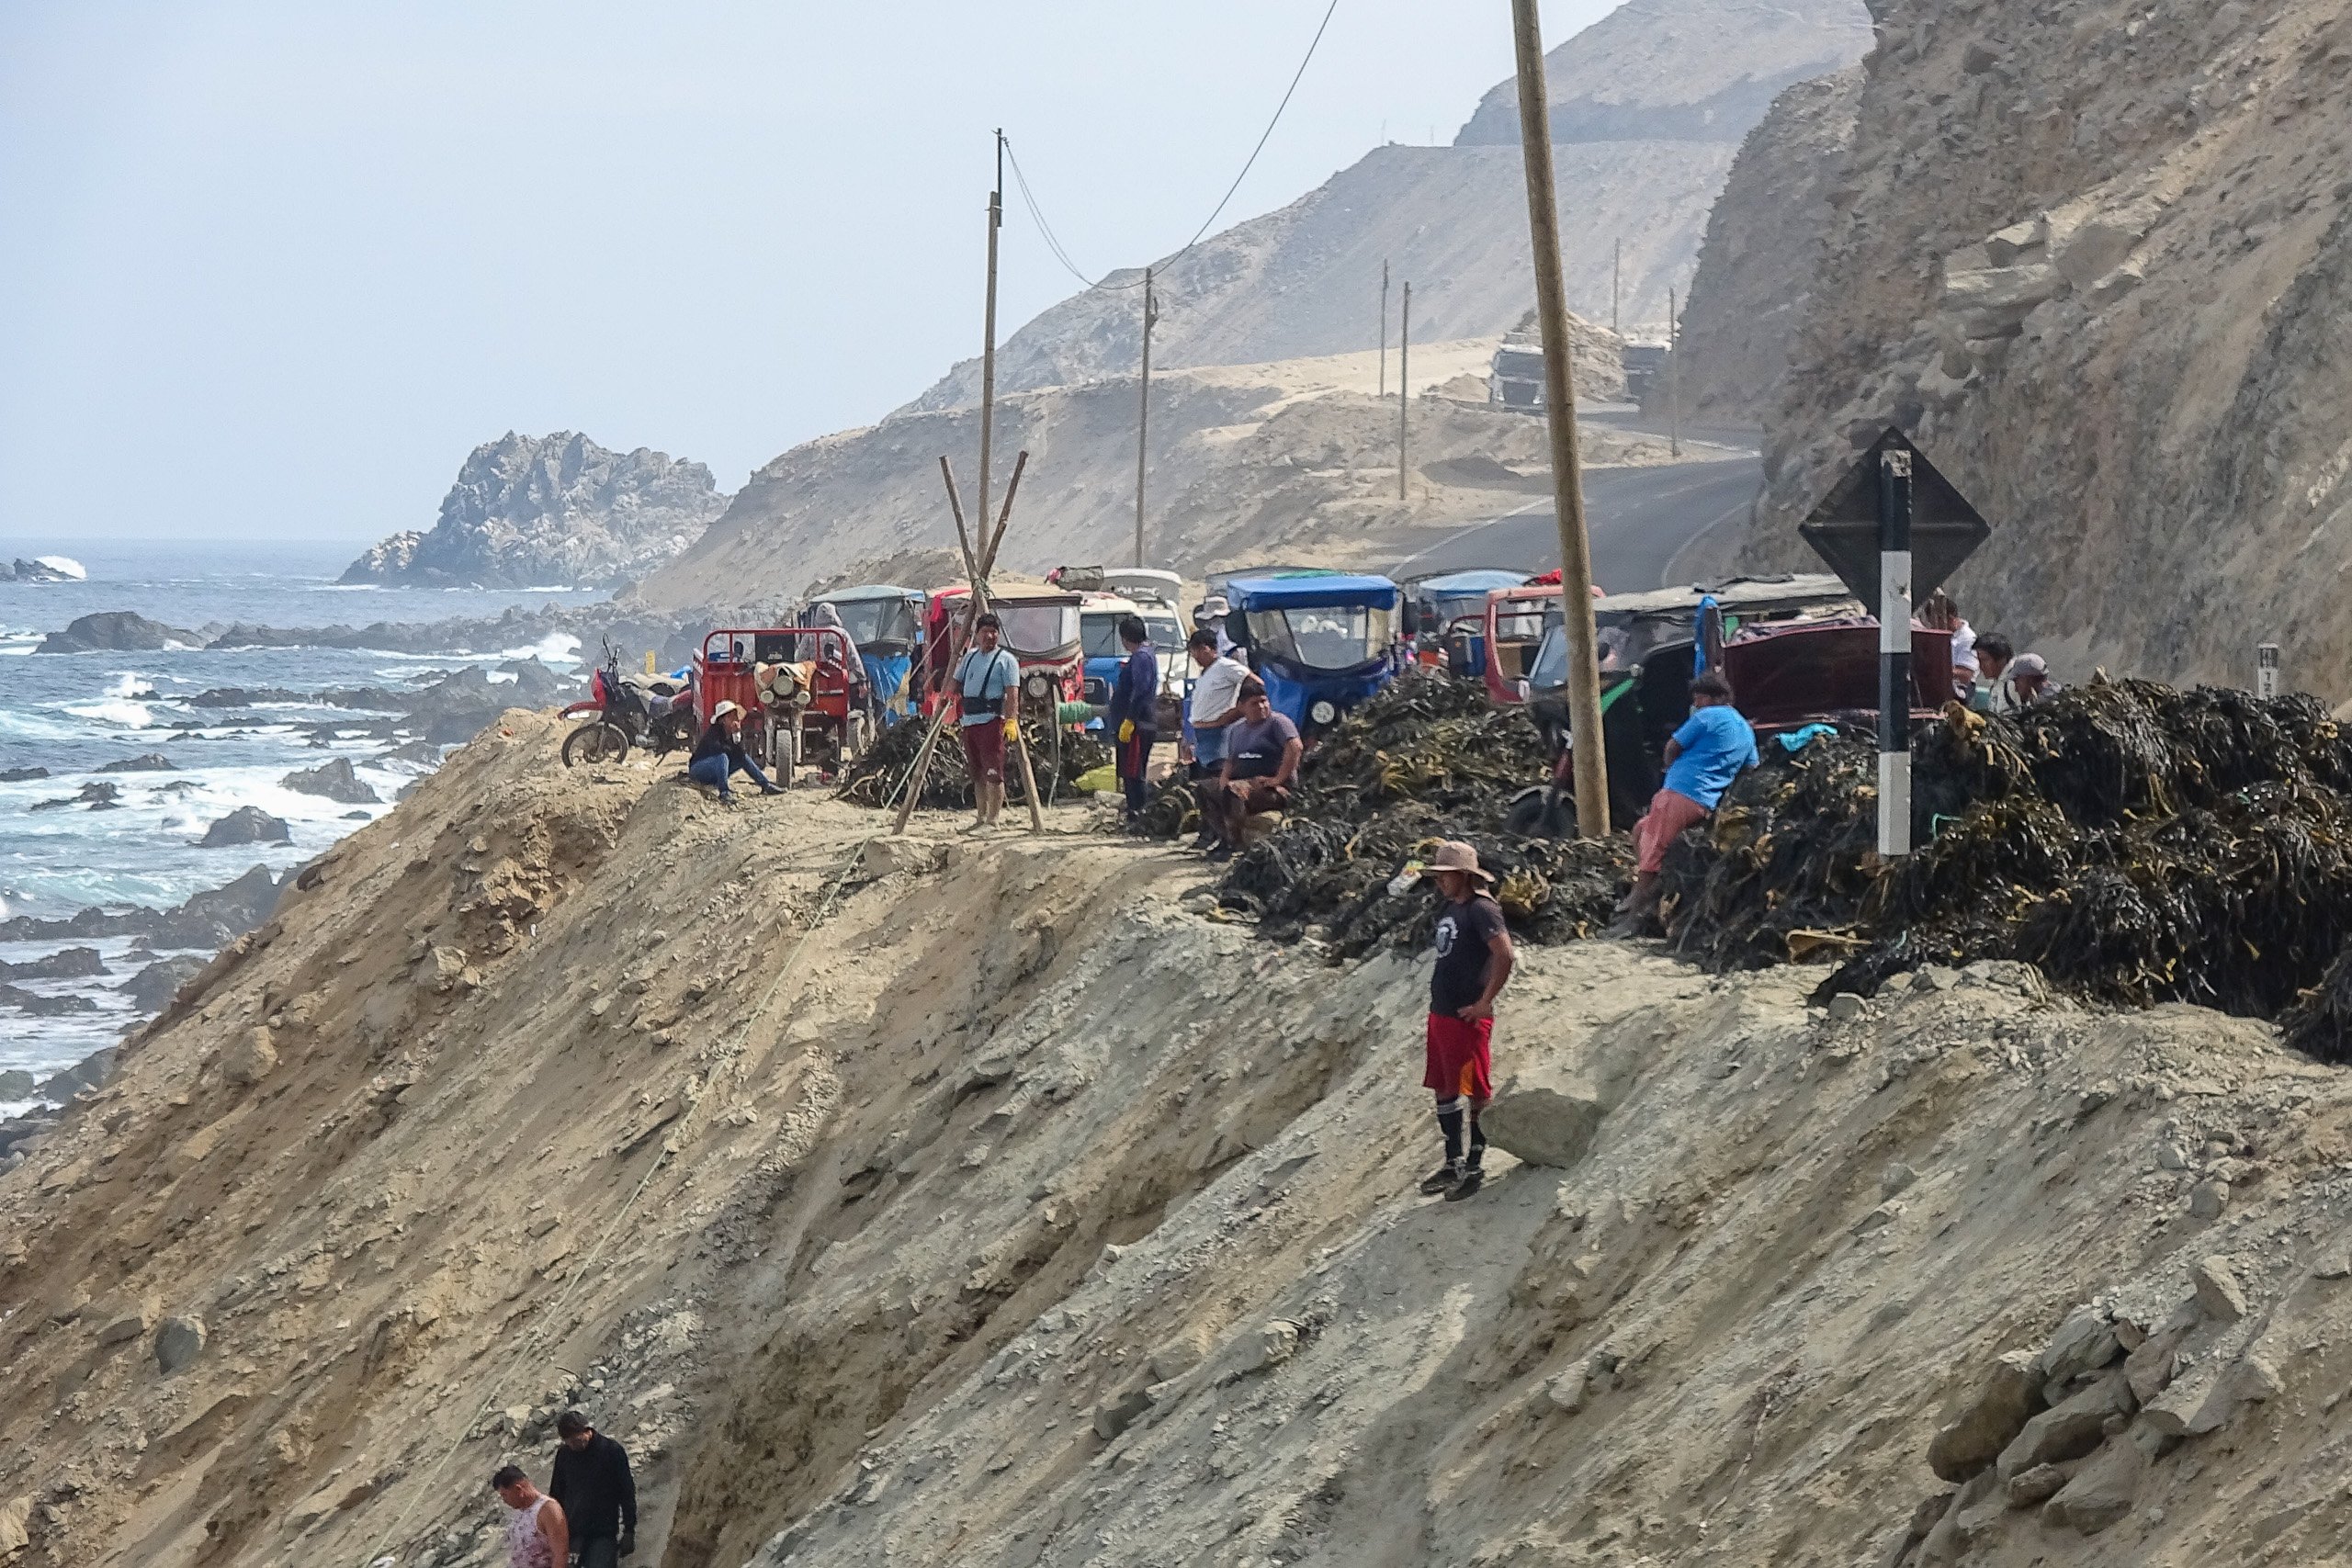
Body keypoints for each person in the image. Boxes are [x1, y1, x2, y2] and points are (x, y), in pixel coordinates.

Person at [1616, 671, 1757, 931]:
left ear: (1714, 698)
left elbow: (1672, 746)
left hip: (1681, 793)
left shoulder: (1706, 717)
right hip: (1704, 803)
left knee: (1656, 844)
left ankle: (1636, 907)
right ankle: (1655, 888)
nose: (1695, 704)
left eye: (1699, 698)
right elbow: (1751, 768)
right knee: (1641, 829)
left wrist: (1670, 770)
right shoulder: (1745, 729)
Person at [1419, 840, 1514, 1201]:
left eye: (1445, 876)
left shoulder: (1482, 909)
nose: (1440, 883)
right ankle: (1453, 1160)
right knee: (1445, 1085)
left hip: (1465, 1017)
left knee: (1474, 1088)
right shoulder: (1454, 907)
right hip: (1443, 1013)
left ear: (1463, 876)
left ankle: (1474, 1165)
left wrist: (1484, 1002)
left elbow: (1504, 955)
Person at [1197, 677, 1301, 860]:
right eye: (1254, 703)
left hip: (1272, 788)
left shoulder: (1278, 723)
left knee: (1233, 791)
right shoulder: (1237, 731)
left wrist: (1278, 779)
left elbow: (1295, 747)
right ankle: (1223, 836)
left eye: (1264, 701)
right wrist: (1224, 778)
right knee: (1204, 788)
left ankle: (1234, 844)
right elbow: (1231, 760)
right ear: (1241, 707)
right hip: (1243, 783)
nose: (1261, 707)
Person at [954, 612, 1022, 831]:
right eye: (985, 632)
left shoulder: (1006, 661)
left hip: (991, 721)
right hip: (969, 721)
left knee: (993, 773)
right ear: (977, 634)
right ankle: (981, 817)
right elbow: (956, 682)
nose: (990, 636)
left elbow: (1012, 694)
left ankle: (993, 820)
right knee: (977, 773)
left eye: (994, 632)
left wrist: (1011, 721)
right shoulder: (970, 656)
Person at [548, 1411, 637, 1567]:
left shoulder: (611, 1451)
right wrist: (554, 1531)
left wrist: (629, 1529)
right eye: (568, 1441)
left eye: (576, 1439)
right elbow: (556, 1494)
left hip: (603, 1533)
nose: (573, 1445)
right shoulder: (564, 1455)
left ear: (587, 1430)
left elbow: (627, 1491)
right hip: (573, 1533)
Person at [1102, 615, 1160, 828]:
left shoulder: (1142, 657)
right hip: (1134, 723)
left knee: (1134, 772)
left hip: (1138, 724)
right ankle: (1134, 812)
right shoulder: (1143, 655)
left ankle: (1139, 814)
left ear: (1126, 638)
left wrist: (1130, 719)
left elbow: (1141, 690)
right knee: (1129, 771)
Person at [1182, 628, 1250, 784]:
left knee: (1216, 779)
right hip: (1200, 735)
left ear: (1211, 649)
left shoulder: (1226, 666)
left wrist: (1236, 712)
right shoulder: (1205, 674)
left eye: (1200, 650)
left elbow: (1254, 683)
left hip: (1217, 733)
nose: (1196, 655)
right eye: (1194, 651)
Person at [686, 701, 782, 804]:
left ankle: (765, 785)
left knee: (743, 758)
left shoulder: (733, 734)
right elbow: (717, 750)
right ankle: (724, 792)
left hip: (716, 771)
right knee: (722, 757)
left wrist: (736, 736)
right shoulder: (714, 732)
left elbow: (741, 753)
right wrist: (732, 746)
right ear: (723, 720)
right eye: (731, 716)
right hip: (699, 769)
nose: (735, 719)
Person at [492, 1465, 568, 1568]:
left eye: (505, 1495)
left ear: (518, 1489)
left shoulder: (548, 1509)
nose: (504, 1500)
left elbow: (560, 1554)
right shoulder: (519, 1511)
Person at [1972, 634, 2015, 713]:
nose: (1981, 666)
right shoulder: (1998, 683)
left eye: (1984, 660)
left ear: (2001, 659)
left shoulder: (2013, 685)